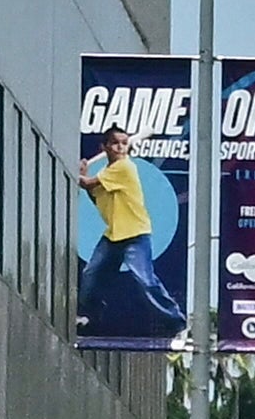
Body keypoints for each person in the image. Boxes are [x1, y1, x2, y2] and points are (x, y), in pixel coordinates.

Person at [75, 126, 185, 336]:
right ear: (105, 147)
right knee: (91, 273)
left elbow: (88, 182)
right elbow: (91, 190)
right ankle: (89, 316)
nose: (121, 147)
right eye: (115, 143)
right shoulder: (107, 173)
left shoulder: (124, 167)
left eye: (124, 143)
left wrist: (81, 175)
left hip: (135, 234)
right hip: (114, 235)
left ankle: (176, 321)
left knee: (145, 279)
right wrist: (82, 174)